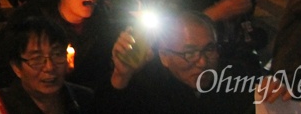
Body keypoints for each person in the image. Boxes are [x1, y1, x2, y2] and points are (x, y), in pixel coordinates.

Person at [90, 10, 256, 113]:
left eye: (209, 49)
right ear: (164, 56)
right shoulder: (146, 88)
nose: (202, 63)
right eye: (189, 53)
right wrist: (120, 76)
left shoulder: (235, 77)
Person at [0, 16, 94, 113]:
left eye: (57, 54)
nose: (49, 67)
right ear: (16, 68)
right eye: (36, 59)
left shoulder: (84, 100)